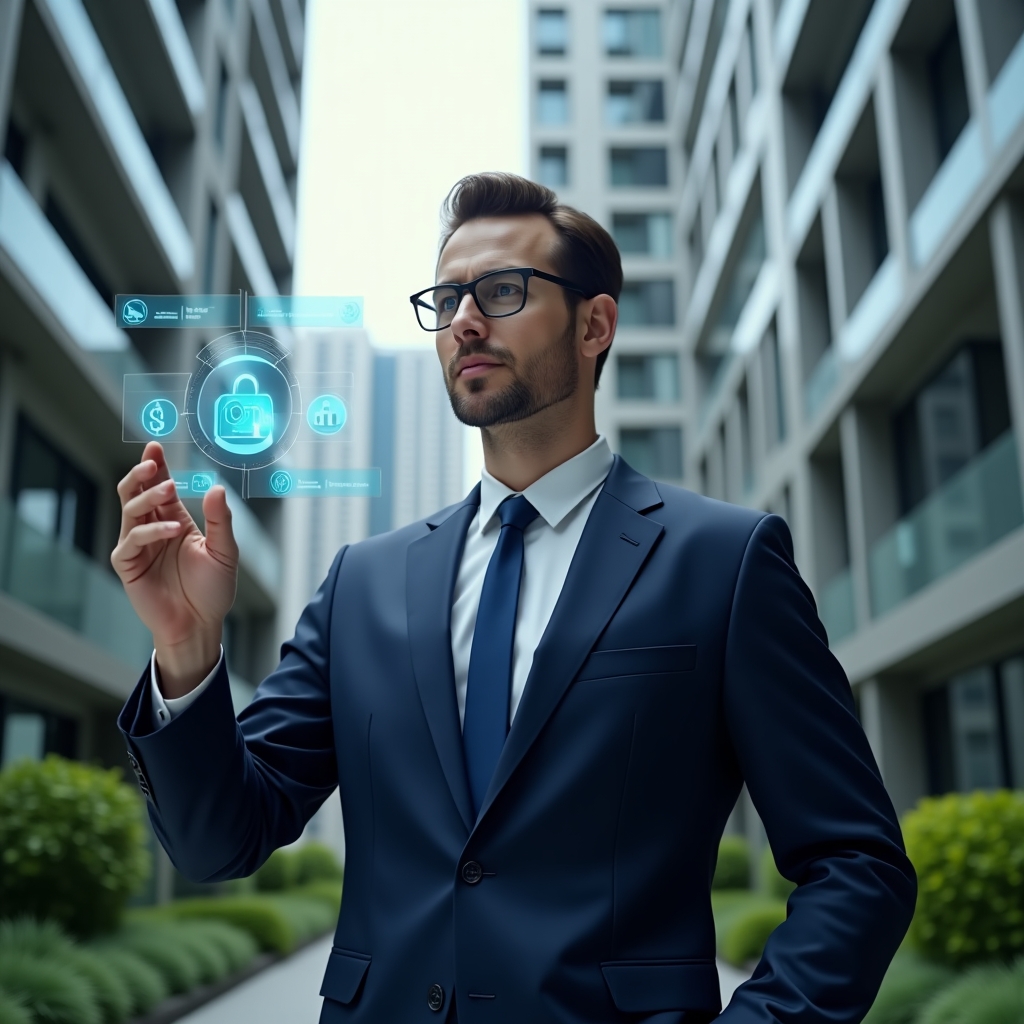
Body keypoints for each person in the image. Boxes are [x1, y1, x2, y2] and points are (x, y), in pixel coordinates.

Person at [113, 172, 915, 1024]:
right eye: (446, 299)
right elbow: (219, 841)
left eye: (501, 291)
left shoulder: (723, 562)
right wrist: (187, 649)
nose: (464, 319)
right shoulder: (363, 584)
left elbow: (856, 863)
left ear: (594, 325)